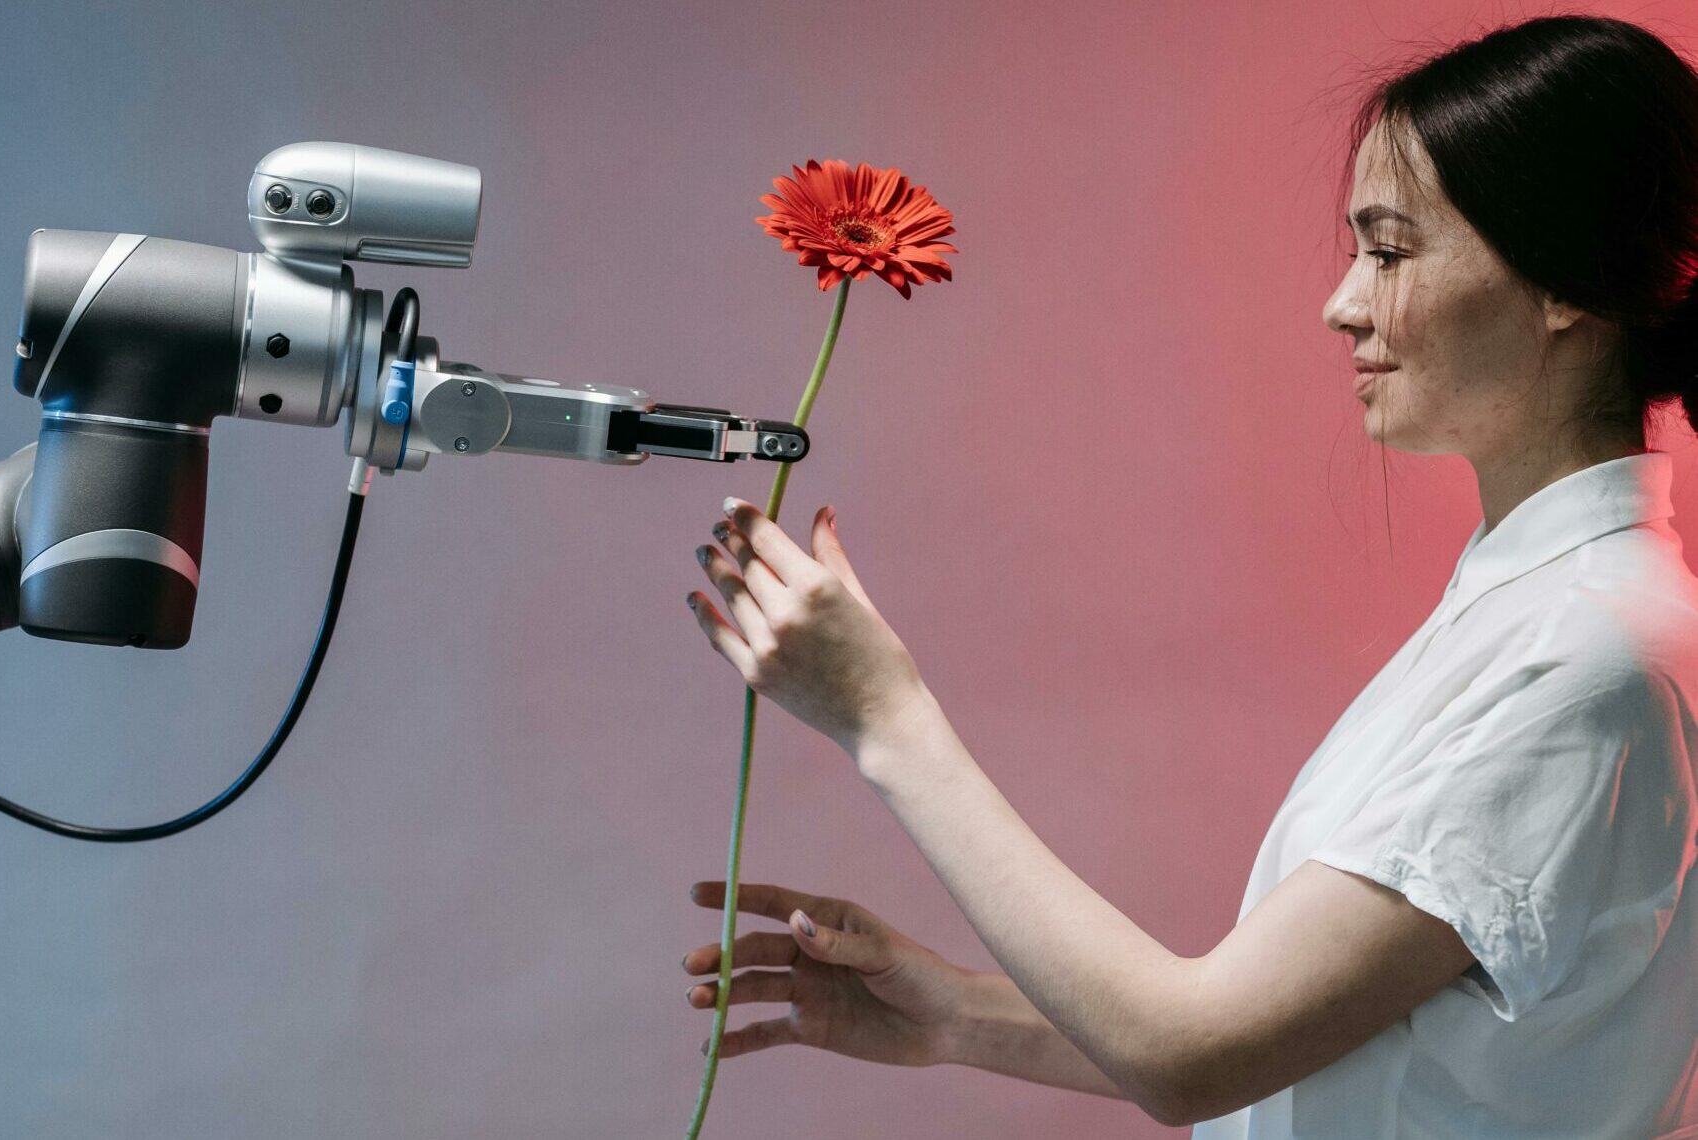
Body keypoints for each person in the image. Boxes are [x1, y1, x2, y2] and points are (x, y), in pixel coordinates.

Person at [679, 14, 1698, 1136]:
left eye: (1390, 250)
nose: (1341, 302)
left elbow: (1190, 1053)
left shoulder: (1586, 660)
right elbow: (1300, 1036)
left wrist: (884, 716)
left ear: (1565, 284)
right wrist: (952, 1017)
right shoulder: (1539, 614)